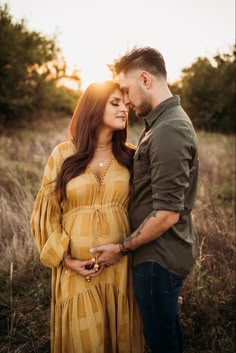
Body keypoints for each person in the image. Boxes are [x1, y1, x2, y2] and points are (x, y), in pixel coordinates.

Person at [90, 48, 199, 353]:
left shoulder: (170, 130)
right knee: (166, 333)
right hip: (157, 256)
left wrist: (121, 248)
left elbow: (167, 214)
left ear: (145, 79)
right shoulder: (160, 124)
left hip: (157, 259)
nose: (125, 100)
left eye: (126, 90)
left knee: (160, 341)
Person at [30, 80, 144, 353]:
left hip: (119, 270)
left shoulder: (131, 156)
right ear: (94, 108)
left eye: (125, 105)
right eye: (114, 103)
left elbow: (144, 213)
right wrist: (67, 260)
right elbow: (45, 216)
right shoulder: (63, 154)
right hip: (77, 274)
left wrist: (124, 249)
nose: (123, 110)